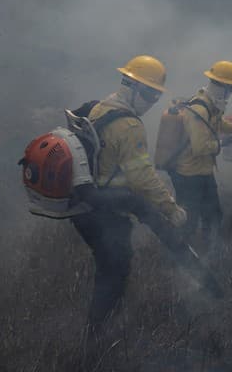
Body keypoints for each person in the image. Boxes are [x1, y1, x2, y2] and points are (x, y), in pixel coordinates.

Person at [72, 55, 187, 329]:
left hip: (85, 205)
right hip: (107, 212)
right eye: (150, 93)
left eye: (156, 95)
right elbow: (142, 178)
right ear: (133, 87)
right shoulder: (130, 125)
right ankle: (99, 338)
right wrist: (171, 208)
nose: (152, 101)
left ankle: (102, 328)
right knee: (115, 271)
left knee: (109, 267)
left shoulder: (101, 107)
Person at [168, 60, 232, 251]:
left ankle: (210, 254)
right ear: (224, 86)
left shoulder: (211, 104)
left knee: (214, 215)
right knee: (189, 220)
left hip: (203, 172)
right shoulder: (200, 108)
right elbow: (200, 147)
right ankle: (180, 258)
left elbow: (218, 124)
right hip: (188, 174)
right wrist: (223, 143)